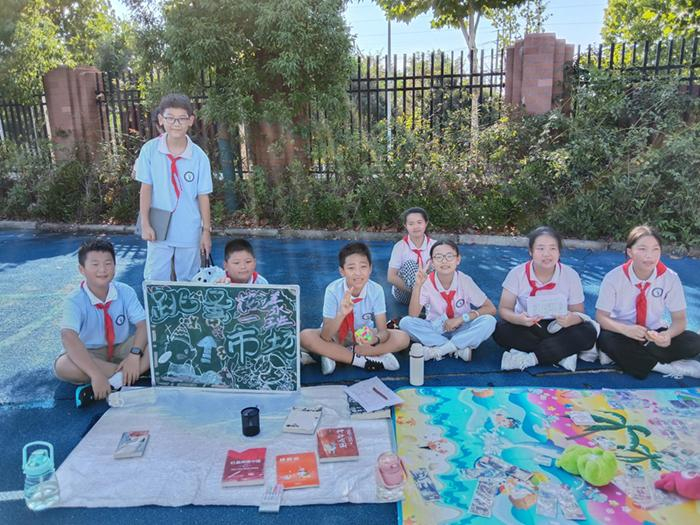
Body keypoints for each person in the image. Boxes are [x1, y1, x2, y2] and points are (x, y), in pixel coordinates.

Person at [596, 225, 700, 379]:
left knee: (693, 341)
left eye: (655, 249)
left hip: (653, 335)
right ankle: (664, 368)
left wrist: (667, 335)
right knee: (606, 340)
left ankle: (623, 358)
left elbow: (680, 319)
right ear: (630, 252)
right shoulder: (613, 278)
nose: (649, 256)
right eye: (642, 249)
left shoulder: (670, 278)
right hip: (621, 333)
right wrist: (626, 330)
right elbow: (601, 317)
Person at [55, 239, 150, 401]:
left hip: (122, 348)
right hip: (90, 353)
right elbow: (68, 336)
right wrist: (95, 374)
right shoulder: (74, 300)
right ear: (82, 269)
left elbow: (143, 325)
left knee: (159, 338)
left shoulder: (125, 291)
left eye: (108, 263)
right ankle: (130, 374)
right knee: (63, 365)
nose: (102, 270)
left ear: (115, 266)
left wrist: (134, 355)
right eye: (95, 264)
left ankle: (119, 379)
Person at [493, 226, 598, 371]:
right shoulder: (517, 273)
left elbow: (578, 312)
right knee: (500, 330)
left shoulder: (570, 275)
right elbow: (504, 309)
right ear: (531, 251)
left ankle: (531, 359)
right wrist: (519, 319)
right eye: (540, 248)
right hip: (528, 326)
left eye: (552, 248)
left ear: (559, 251)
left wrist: (570, 319)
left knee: (588, 332)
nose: (546, 254)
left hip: (559, 326)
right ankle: (561, 353)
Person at [300, 242, 410, 375]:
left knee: (403, 337)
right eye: (351, 268)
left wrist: (375, 340)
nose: (358, 273)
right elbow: (326, 335)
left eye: (363, 267)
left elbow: (383, 332)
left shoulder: (376, 290)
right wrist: (341, 313)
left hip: (362, 336)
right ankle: (363, 360)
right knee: (304, 336)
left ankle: (335, 354)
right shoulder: (333, 290)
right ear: (342, 271)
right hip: (335, 335)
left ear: (370, 269)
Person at [136, 93, 213, 281]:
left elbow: (203, 196)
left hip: (189, 227)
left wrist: (206, 231)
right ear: (161, 119)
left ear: (191, 121)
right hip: (158, 226)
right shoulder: (150, 150)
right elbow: (146, 189)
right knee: (156, 278)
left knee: (189, 279)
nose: (176, 123)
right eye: (170, 118)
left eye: (182, 118)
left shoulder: (199, 157)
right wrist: (145, 223)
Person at [399, 240, 497, 362]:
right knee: (405, 323)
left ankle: (440, 350)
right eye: (438, 257)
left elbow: (490, 308)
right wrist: (417, 286)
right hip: (436, 329)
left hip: (463, 327)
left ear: (458, 259)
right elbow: (413, 315)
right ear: (432, 262)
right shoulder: (426, 282)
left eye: (449, 256)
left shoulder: (465, 280)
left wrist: (461, 319)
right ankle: (458, 348)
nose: (444, 261)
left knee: (489, 321)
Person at [387, 207, 437, 304]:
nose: (416, 226)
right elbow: (391, 277)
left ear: (426, 223)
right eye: (411, 224)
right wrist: (416, 292)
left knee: (437, 266)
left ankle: (427, 302)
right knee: (410, 265)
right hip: (406, 292)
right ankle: (423, 303)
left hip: (429, 293)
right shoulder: (400, 247)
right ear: (405, 226)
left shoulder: (435, 245)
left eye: (419, 222)